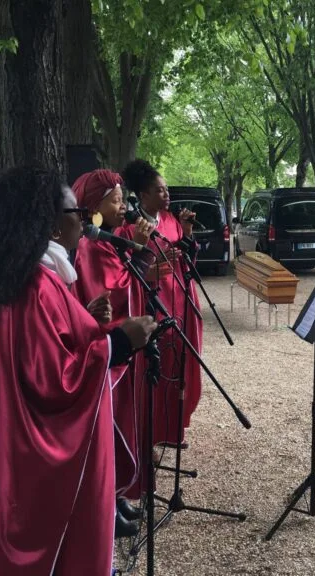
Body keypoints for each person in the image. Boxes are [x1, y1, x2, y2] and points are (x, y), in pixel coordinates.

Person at [0, 166, 156, 576]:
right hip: (16, 447)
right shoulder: (36, 285)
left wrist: (89, 322)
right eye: (76, 211)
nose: (84, 219)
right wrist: (119, 343)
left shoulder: (13, 278)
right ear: (52, 224)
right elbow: (53, 383)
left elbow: (39, 351)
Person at [70, 169, 160, 535]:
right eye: (116, 200)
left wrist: (139, 246)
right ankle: (106, 501)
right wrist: (138, 256)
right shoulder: (90, 247)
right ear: (93, 207)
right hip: (107, 355)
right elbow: (111, 291)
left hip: (121, 351)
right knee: (109, 426)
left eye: (123, 198)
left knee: (121, 423)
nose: (123, 206)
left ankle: (117, 493)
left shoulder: (109, 241)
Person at [120, 159, 203, 448]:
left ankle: (171, 429)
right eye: (159, 190)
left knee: (176, 364)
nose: (166, 195)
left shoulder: (170, 221)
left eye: (166, 189)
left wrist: (187, 233)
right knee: (153, 367)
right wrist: (149, 271)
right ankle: (148, 437)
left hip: (178, 300)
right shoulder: (131, 227)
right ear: (143, 195)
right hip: (150, 302)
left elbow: (186, 260)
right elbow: (124, 269)